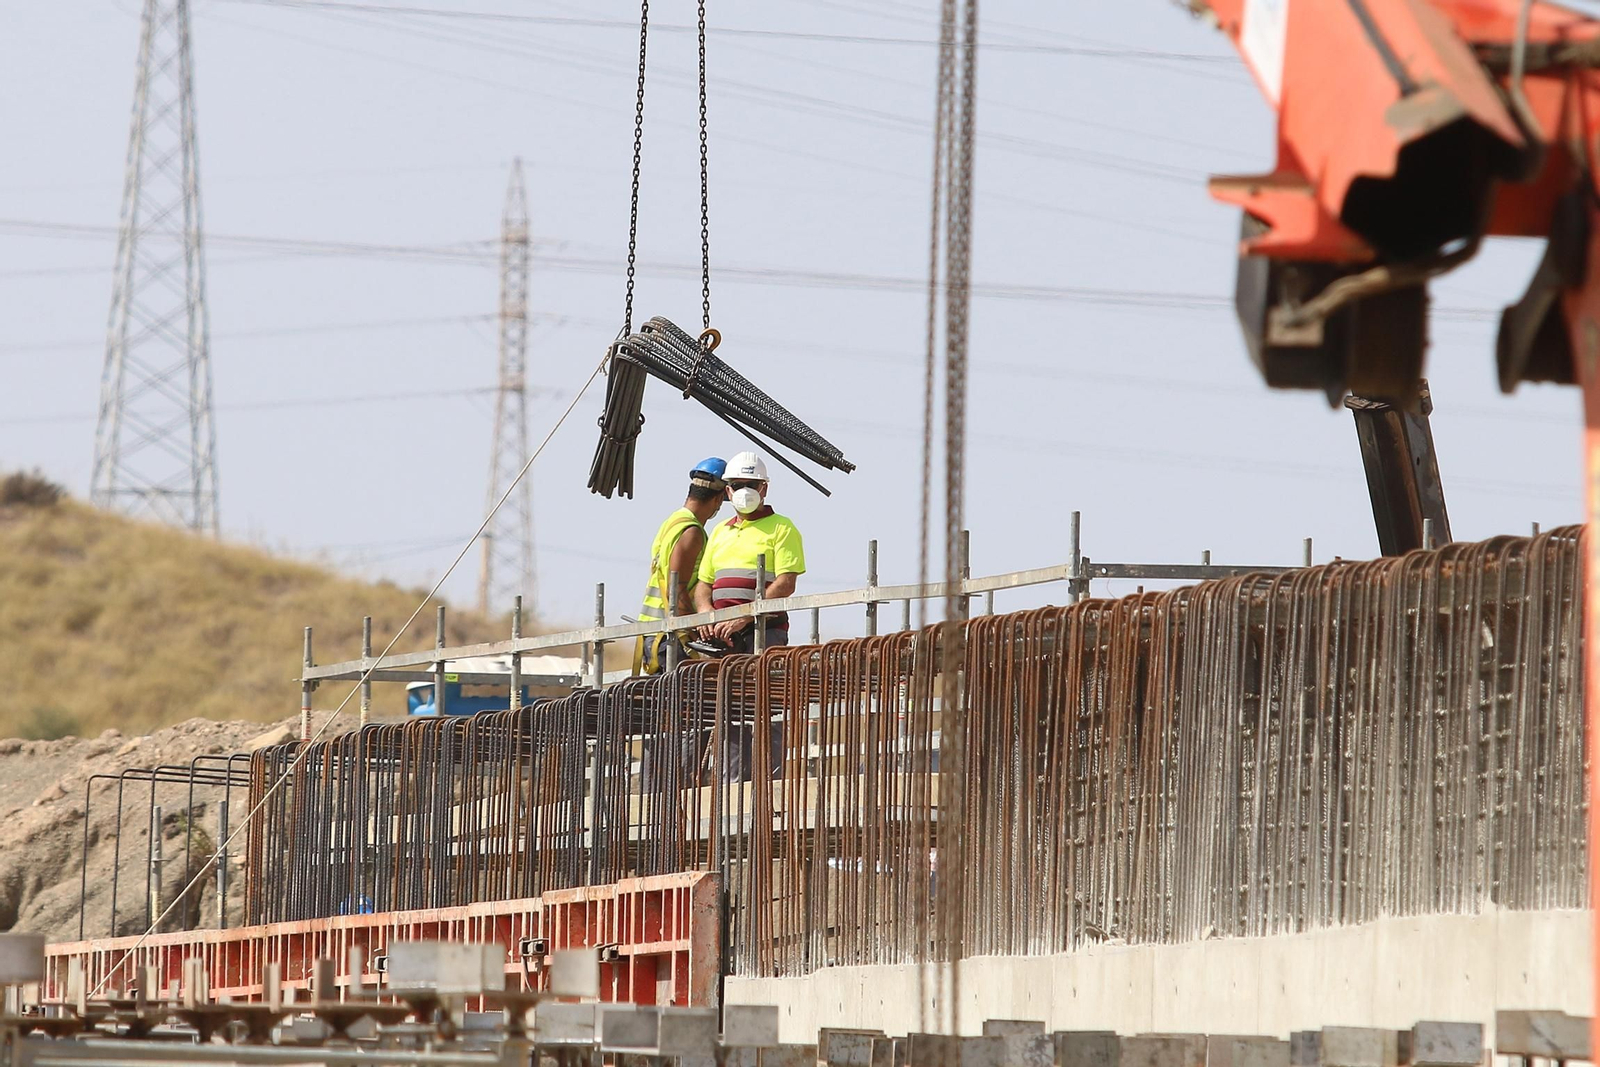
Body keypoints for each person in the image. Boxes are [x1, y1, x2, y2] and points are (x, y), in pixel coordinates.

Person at [693, 452, 807, 653]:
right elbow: (704, 584)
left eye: (751, 485)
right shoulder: (720, 531)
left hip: (764, 630)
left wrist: (745, 615)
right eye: (737, 485)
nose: (744, 491)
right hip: (722, 635)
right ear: (728, 491)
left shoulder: (782, 527)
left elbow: (786, 584)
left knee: (757, 683)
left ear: (764, 488)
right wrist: (705, 611)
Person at [635, 457, 727, 675]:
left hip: (656, 631)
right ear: (718, 500)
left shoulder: (673, 521)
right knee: (684, 704)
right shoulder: (691, 531)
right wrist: (693, 633)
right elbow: (676, 588)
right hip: (669, 635)